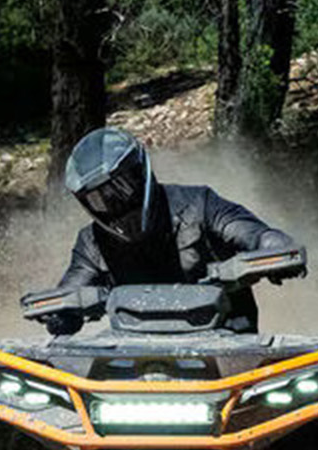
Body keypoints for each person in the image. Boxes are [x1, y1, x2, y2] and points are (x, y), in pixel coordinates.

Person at [46, 127, 302, 334]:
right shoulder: (92, 243)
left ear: (140, 172)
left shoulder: (200, 204)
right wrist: (60, 315)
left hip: (228, 346)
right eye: (99, 199)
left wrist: (274, 247)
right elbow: (70, 292)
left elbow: (253, 233)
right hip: (134, 359)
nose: (115, 203)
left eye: (121, 187)